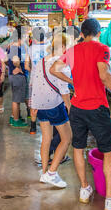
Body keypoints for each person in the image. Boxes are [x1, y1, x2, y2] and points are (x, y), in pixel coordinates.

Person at [50, 18, 111, 210]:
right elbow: (104, 75)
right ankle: (110, 200)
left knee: (78, 148)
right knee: (108, 152)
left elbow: (54, 69)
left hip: (77, 108)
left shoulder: (72, 51)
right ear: (98, 32)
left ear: (82, 33)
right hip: (97, 107)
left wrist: (72, 81)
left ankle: (85, 189)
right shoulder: (102, 48)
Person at [31, 33, 72, 188]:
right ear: (61, 47)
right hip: (55, 106)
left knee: (46, 139)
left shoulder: (41, 61)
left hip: (40, 106)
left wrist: (33, 105)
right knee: (67, 138)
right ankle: (51, 173)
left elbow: (33, 83)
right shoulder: (61, 64)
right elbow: (64, 89)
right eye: (67, 48)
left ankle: (44, 173)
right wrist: (69, 106)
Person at [48, 25, 81, 164]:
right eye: (77, 39)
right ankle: (55, 155)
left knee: (56, 127)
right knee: (62, 128)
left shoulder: (56, 53)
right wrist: (68, 103)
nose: (77, 42)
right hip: (61, 96)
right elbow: (61, 80)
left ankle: (53, 154)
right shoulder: (65, 55)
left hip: (52, 97)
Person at [25, 26, 48, 135]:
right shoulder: (49, 48)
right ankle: (47, 126)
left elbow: (26, 66)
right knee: (48, 102)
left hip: (34, 81)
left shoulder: (30, 49)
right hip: (48, 80)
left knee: (34, 103)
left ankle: (33, 128)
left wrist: (33, 71)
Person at [6, 26, 28, 128]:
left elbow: (5, 59)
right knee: (16, 100)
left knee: (16, 98)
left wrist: (10, 67)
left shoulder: (11, 46)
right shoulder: (15, 47)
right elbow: (15, 60)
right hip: (17, 77)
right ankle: (16, 120)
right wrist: (18, 67)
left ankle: (13, 116)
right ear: (20, 38)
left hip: (13, 75)